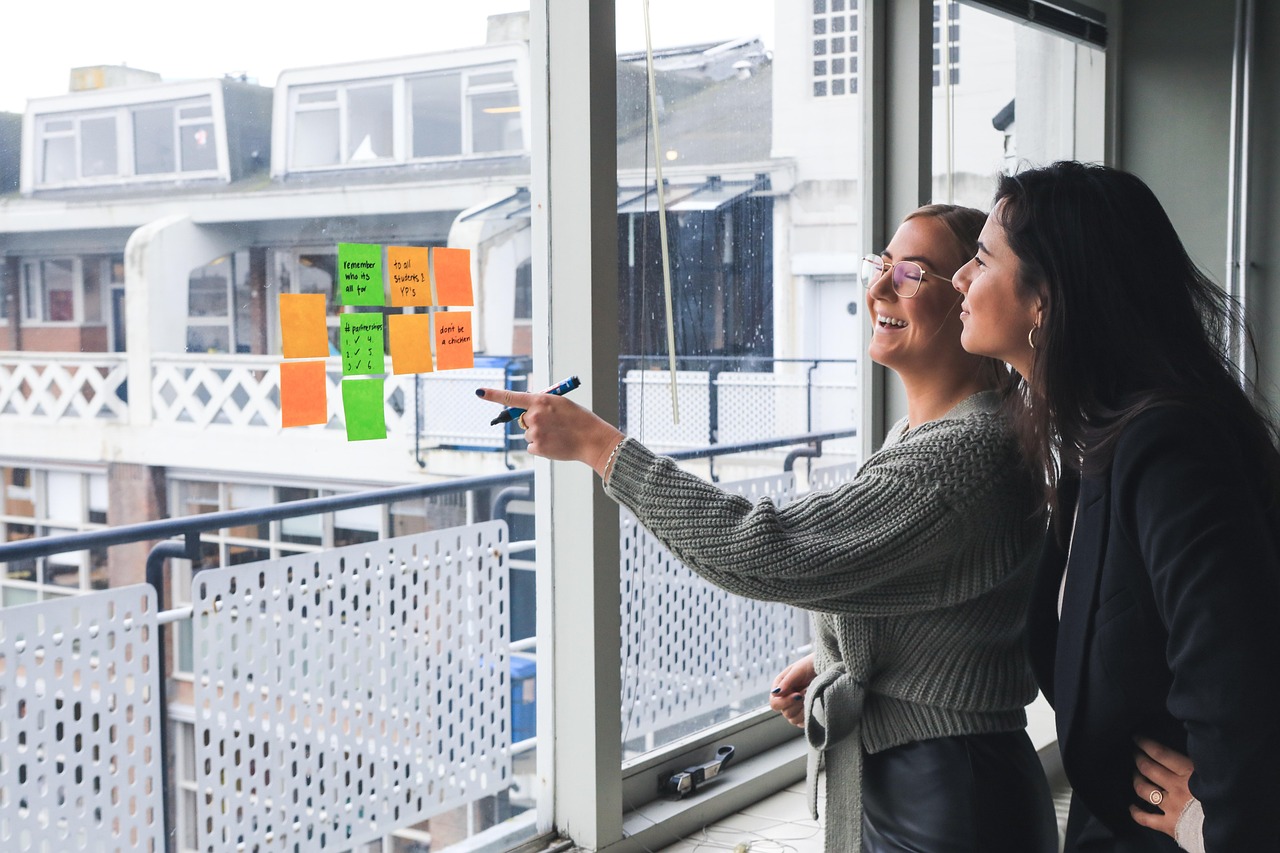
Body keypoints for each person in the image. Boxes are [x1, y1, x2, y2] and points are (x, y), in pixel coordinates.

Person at [478, 204, 1058, 852]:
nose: (878, 288)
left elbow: (764, 548)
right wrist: (843, 658)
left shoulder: (964, 455)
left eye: (912, 273)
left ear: (967, 294)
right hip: (934, 779)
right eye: (881, 265)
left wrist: (602, 447)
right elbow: (949, 603)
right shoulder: (944, 432)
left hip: (953, 804)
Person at [950, 160, 1280, 852]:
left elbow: (1241, 687)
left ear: (1045, 297)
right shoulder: (1093, 442)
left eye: (980, 260)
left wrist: (1212, 822)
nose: (960, 278)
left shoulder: (1168, 448)